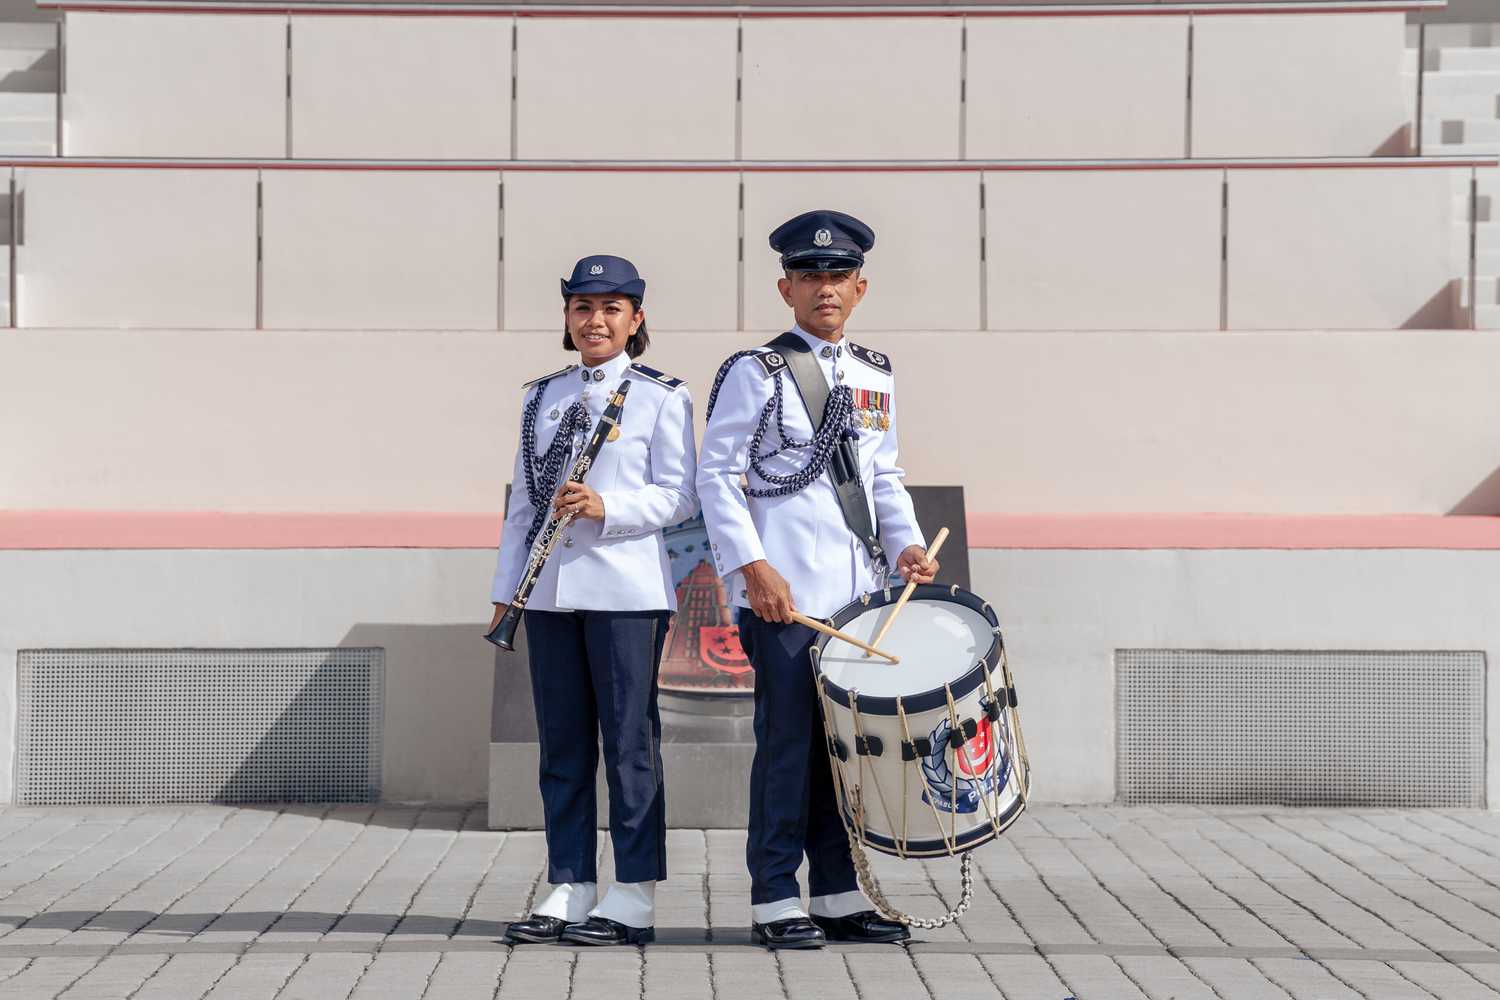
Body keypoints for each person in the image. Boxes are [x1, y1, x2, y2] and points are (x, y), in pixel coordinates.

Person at [696, 210, 939, 950]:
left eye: (837, 278)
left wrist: (907, 548)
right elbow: (717, 475)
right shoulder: (755, 372)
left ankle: (835, 892)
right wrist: (753, 567)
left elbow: (884, 477)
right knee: (787, 746)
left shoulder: (875, 374)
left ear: (859, 289)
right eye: (809, 277)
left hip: (857, 598)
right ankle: (774, 896)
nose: (823, 289)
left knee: (843, 753)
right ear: (786, 288)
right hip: (785, 600)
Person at [490, 254, 698, 947]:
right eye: (583, 307)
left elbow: (678, 495)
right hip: (548, 593)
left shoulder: (662, 396)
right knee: (563, 746)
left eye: (612, 308)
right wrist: (504, 593)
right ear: (567, 318)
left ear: (636, 320)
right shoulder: (539, 397)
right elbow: (521, 503)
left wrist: (608, 506)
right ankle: (570, 882)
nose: (595, 320)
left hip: (626, 591)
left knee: (630, 746)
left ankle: (633, 891)